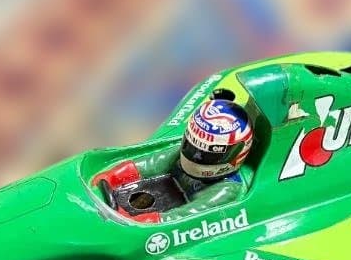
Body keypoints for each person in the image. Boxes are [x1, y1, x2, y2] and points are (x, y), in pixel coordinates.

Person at [93, 93, 253, 222]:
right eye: (194, 146)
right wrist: (115, 175)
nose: (196, 155)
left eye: (209, 153)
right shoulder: (188, 151)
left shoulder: (225, 191)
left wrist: (136, 221)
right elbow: (154, 162)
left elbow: (182, 217)